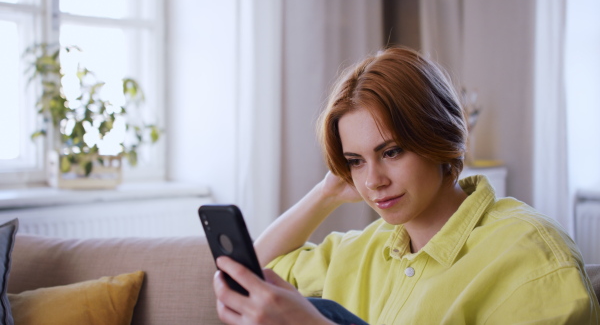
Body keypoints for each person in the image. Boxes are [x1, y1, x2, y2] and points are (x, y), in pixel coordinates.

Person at [213, 47, 600, 324]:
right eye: (356, 161)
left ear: (440, 138)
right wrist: (326, 193)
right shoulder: (366, 246)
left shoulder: (528, 250)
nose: (373, 181)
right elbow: (251, 273)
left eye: (393, 151)